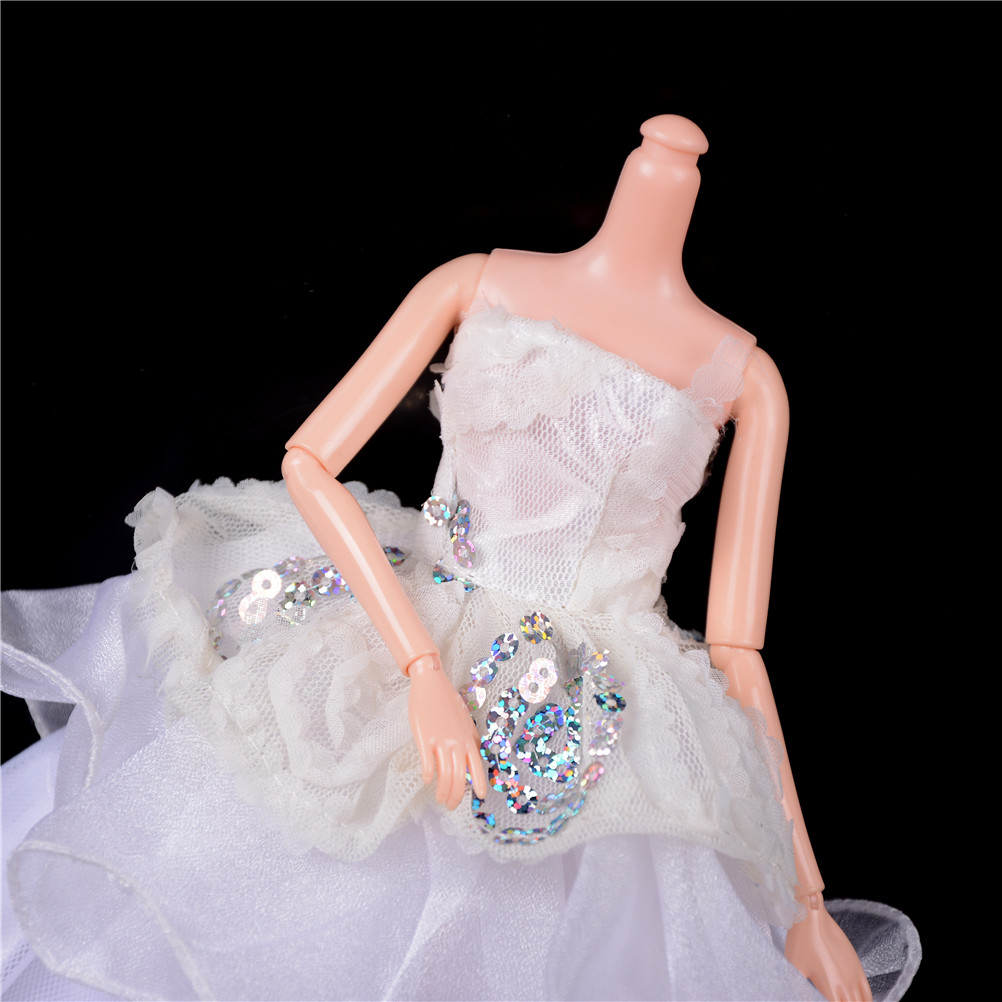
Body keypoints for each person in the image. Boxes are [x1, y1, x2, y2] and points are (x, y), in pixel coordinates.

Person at [1, 115, 918, 1001]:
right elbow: (309, 462)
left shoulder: (747, 377)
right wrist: (419, 663)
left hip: (590, 710)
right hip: (410, 615)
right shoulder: (477, 281)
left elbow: (737, 650)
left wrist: (804, 899)